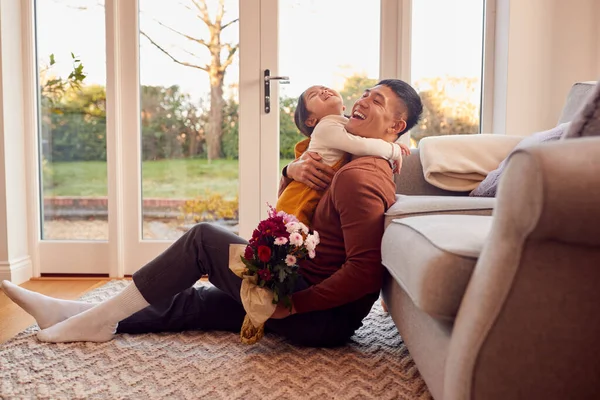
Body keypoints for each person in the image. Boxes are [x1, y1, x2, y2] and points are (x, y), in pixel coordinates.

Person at [1, 79, 423, 347]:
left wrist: (291, 307)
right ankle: (79, 316)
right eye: (366, 92)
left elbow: (365, 272)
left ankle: (97, 321)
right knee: (201, 301)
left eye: (378, 101)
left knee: (204, 239)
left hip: (314, 314)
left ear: (396, 127)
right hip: (306, 295)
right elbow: (302, 202)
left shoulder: (361, 174)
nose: (363, 100)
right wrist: (289, 169)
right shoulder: (348, 159)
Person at [276, 85, 410, 226]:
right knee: (291, 235)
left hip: (312, 192)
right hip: (301, 195)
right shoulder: (325, 127)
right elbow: (360, 145)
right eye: (313, 95)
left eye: (325, 88)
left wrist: (392, 143)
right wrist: (393, 149)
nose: (324, 91)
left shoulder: (344, 125)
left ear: (344, 107)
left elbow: (368, 141)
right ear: (310, 121)